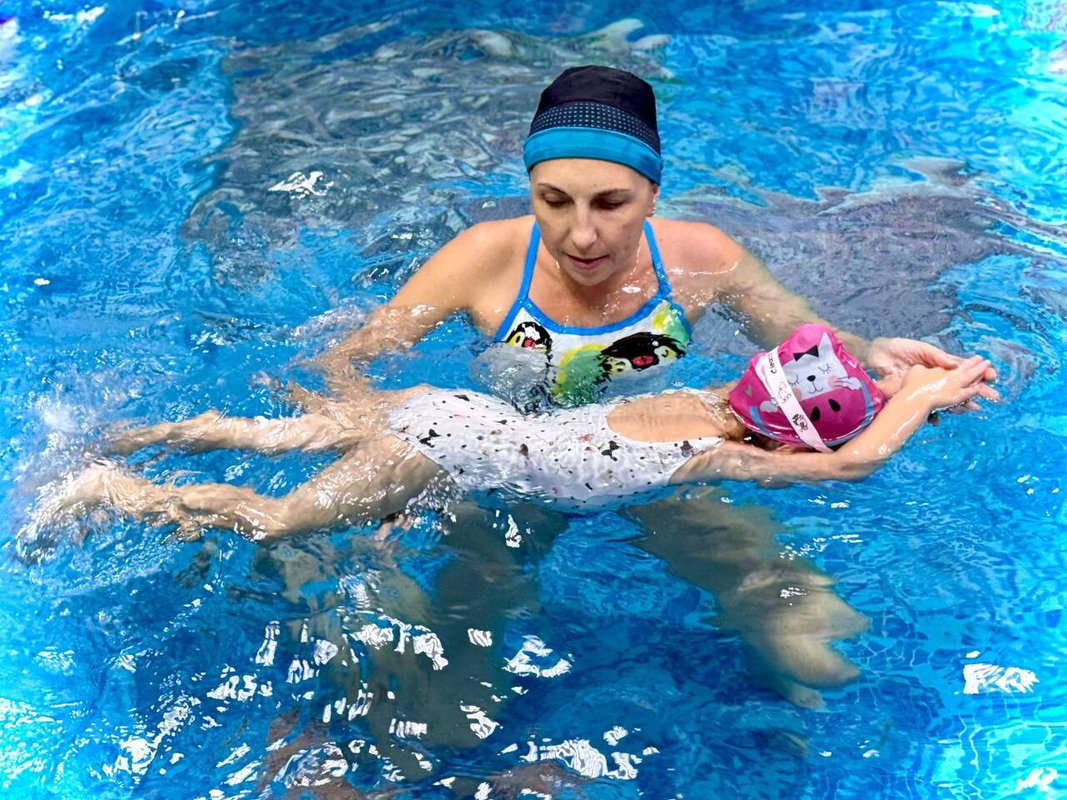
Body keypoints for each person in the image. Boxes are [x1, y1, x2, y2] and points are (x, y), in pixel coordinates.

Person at [314, 64, 999, 410]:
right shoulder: (483, 258)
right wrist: (382, 430)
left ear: (652, 196)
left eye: (611, 203)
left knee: (788, 606)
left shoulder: (702, 257)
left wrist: (872, 354)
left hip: (646, 447)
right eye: (554, 201)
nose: (581, 235)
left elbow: (799, 337)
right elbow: (344, 361)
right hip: (499, 457)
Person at [35, 324, 988, 538]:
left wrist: (895, 375)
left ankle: (115, 435)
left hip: (451, 411)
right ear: (787, 443)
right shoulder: (722, 452)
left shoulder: (713, 396)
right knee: (277, 521)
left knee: (269, 435)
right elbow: (854, 463)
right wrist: (923, 397)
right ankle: (109, 488)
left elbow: (810, 376)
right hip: (437, 451)